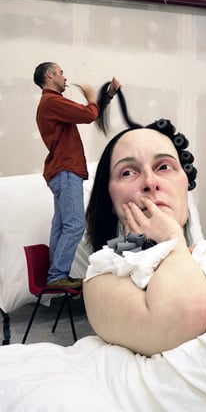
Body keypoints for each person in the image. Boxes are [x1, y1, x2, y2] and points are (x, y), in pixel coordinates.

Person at [82, 118, 206, 356]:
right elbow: (180, 322)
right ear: (110, 198)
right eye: (128, 172)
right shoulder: (102, 273)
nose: (150, 183)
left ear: (185, 183)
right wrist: (171, 241)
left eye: (164, 167)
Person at [33, 61, 120, 288]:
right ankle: (56, 276)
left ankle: (55, 274)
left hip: (60, 172)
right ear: (50, 75)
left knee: (61, 226)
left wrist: (107, 95)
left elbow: (88, 112)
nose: (64, 77)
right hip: (65, 170)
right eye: (61, 73)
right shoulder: (52, 102)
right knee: (74, 225)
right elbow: (87, 114)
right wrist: (92, 95)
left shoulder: (51, 104)